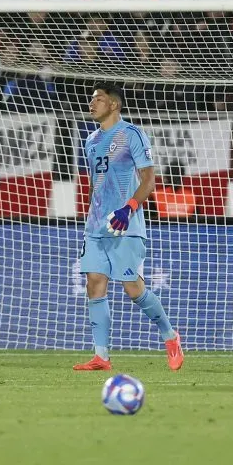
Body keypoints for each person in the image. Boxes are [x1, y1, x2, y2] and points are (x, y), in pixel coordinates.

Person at [73, 83, 184, 372]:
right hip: (96, 225)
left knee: (133, 288)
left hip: (126, 223)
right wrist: (92, 211)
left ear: (114, 105)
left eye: (99, 99)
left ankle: (170, 337)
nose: (92, 103)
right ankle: (101, 356)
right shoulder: (90, 140)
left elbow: (149, 180)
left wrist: (129, 208)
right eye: (91, 98)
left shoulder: (132, 134)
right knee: (94, 282)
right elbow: (95, 183)